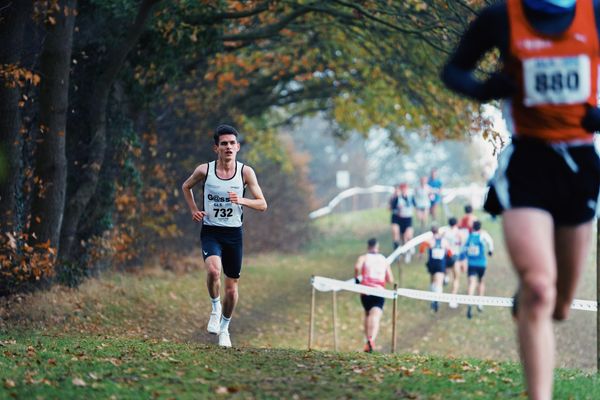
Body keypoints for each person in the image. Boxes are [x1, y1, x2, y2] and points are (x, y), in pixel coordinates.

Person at [441, 0, 600, 398]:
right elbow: (453, 70)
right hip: (527, 162)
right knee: (539, 290)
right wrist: (482, 88)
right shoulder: (500, 17)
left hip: (579, 165)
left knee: (560, 304)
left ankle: (534, 296)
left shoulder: (594, 14)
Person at [181, 124, 268, 348]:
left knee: (232, 287)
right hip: (211, 231)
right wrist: (193, 210)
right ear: (216, 148)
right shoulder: (205, 170)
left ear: (237, 147)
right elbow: (186, 186)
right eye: (224, 144)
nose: (228, 147)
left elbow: (262, 204)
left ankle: (225, 328)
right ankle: (214, 307)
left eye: (232, 143)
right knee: (212, 270)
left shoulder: (245, 172)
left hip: (233, 235)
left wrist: (242, 200)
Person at [354, 238, 394, 352]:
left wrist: (356, 279)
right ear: (377, 247)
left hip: (365, 291)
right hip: (378, 290)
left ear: (368, 247)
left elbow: (357, 267)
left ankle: (367, 340)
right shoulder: (383, 259)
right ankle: (371, 339)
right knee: (375, 315)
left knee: (367, 314)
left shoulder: (364, 257)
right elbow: (390, 279)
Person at [463, 220, 494, 319]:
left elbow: (464, 248)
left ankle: (470, 302)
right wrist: (490, 251)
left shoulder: (469, 236)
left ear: (473, 227)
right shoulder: (482, 235)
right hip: (481, 263)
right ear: (480, 227)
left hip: (471, 263)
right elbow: (490, 242)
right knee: (481, 282)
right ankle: (480, 302)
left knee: (471, 283)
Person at [422, 224, 452, 312]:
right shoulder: (444, 241)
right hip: (440, 264)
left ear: (431, 232)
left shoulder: (429, 240)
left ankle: (432, 300)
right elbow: (450, 252)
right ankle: (437, 300)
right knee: (439, 282)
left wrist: (421, 254)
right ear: (438, 231)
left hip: (432, 263)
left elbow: (422, 247)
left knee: (432, 281)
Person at [442, 217, 465, 308]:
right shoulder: (459, 233)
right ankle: (452, 299)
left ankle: (446, 277)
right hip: (455, 256)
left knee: (446, 271)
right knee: (456, 278)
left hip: (446, 256)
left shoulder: (445, 232)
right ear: (456, 224)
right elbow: (462, 246)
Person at [396, 182, 416, 262]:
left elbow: (415, 204)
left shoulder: (410, 197)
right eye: (402, 189)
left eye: (405, 188)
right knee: (403, 238)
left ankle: (411, 247)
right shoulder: (398, 197)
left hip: (408, 218)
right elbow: (394, 208)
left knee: (408, 235)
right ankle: (407, 252)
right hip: (401, 219)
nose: (404, 190)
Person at [388, 184, 402, 251]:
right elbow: (389, 208)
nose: (396, 191)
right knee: (395, 233)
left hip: (403, 217)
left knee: (402, 236)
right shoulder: (392, 198)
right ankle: (396, 249)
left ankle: (404, 250)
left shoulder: (402, 197)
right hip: (395, 217)